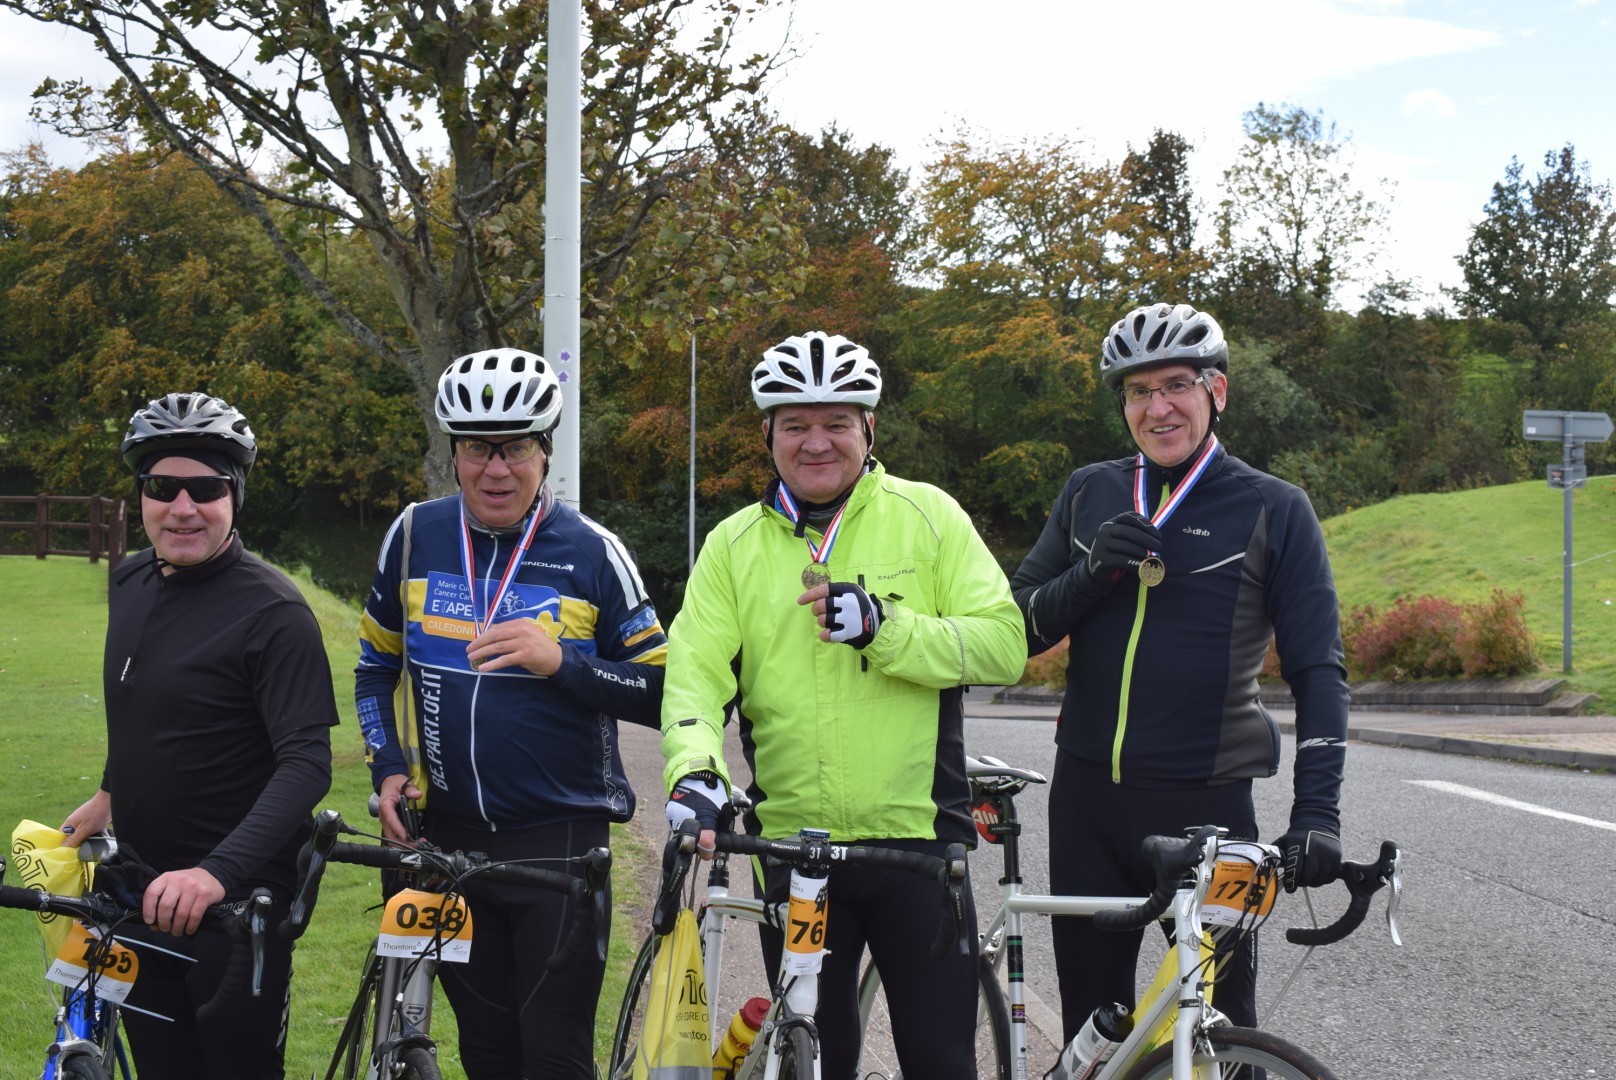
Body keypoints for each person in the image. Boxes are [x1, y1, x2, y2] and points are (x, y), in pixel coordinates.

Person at [661, 330, 1027, 1080]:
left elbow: (1003, 644)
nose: (816, 442)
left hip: (917, 845)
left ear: (871, 429)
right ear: (769, 435)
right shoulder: (733, 546)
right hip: (793, 850)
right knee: (812, 1063)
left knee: (941, 1061)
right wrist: (694, 770)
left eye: (837, 422)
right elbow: (695, 677)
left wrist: (888, 630)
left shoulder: (927, 516)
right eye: (795, 425)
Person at [1009, 302, 1350, 1044]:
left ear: (1216, 392)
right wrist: (1090, 572)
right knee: (1090, 1036)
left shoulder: (1273, 507)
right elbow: (1018, 627)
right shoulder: (1088, 491)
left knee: (1222, 1033)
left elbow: (1319, 669)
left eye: (1176, 385)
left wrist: (1317, 813)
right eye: (1138, 390)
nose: (1157, 407)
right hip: (1088, 805)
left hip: (1210, 808)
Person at [355, 348, 667, 1079]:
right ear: (454, 452)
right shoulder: (412, 536)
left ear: (545, 451)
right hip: (448, 838)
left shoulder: (593, 551)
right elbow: (375, 669)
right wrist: (389, 766)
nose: (497, 469)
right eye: (476, 449)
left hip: (557, 840)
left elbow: (664, 693)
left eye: (516, 446)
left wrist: (564, 663)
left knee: (553, 1057)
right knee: (487, 1054)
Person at [59, 392, 338, 1079]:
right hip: (142, 888)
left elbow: (306, 764)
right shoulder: (129, 579)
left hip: (236, 912)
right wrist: (109, 790)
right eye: (162, 487)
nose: (183, 507)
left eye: (206, 488)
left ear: (234, 496)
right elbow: (146, 701)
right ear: (142, 496)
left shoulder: (274, 613)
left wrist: (215, 874)